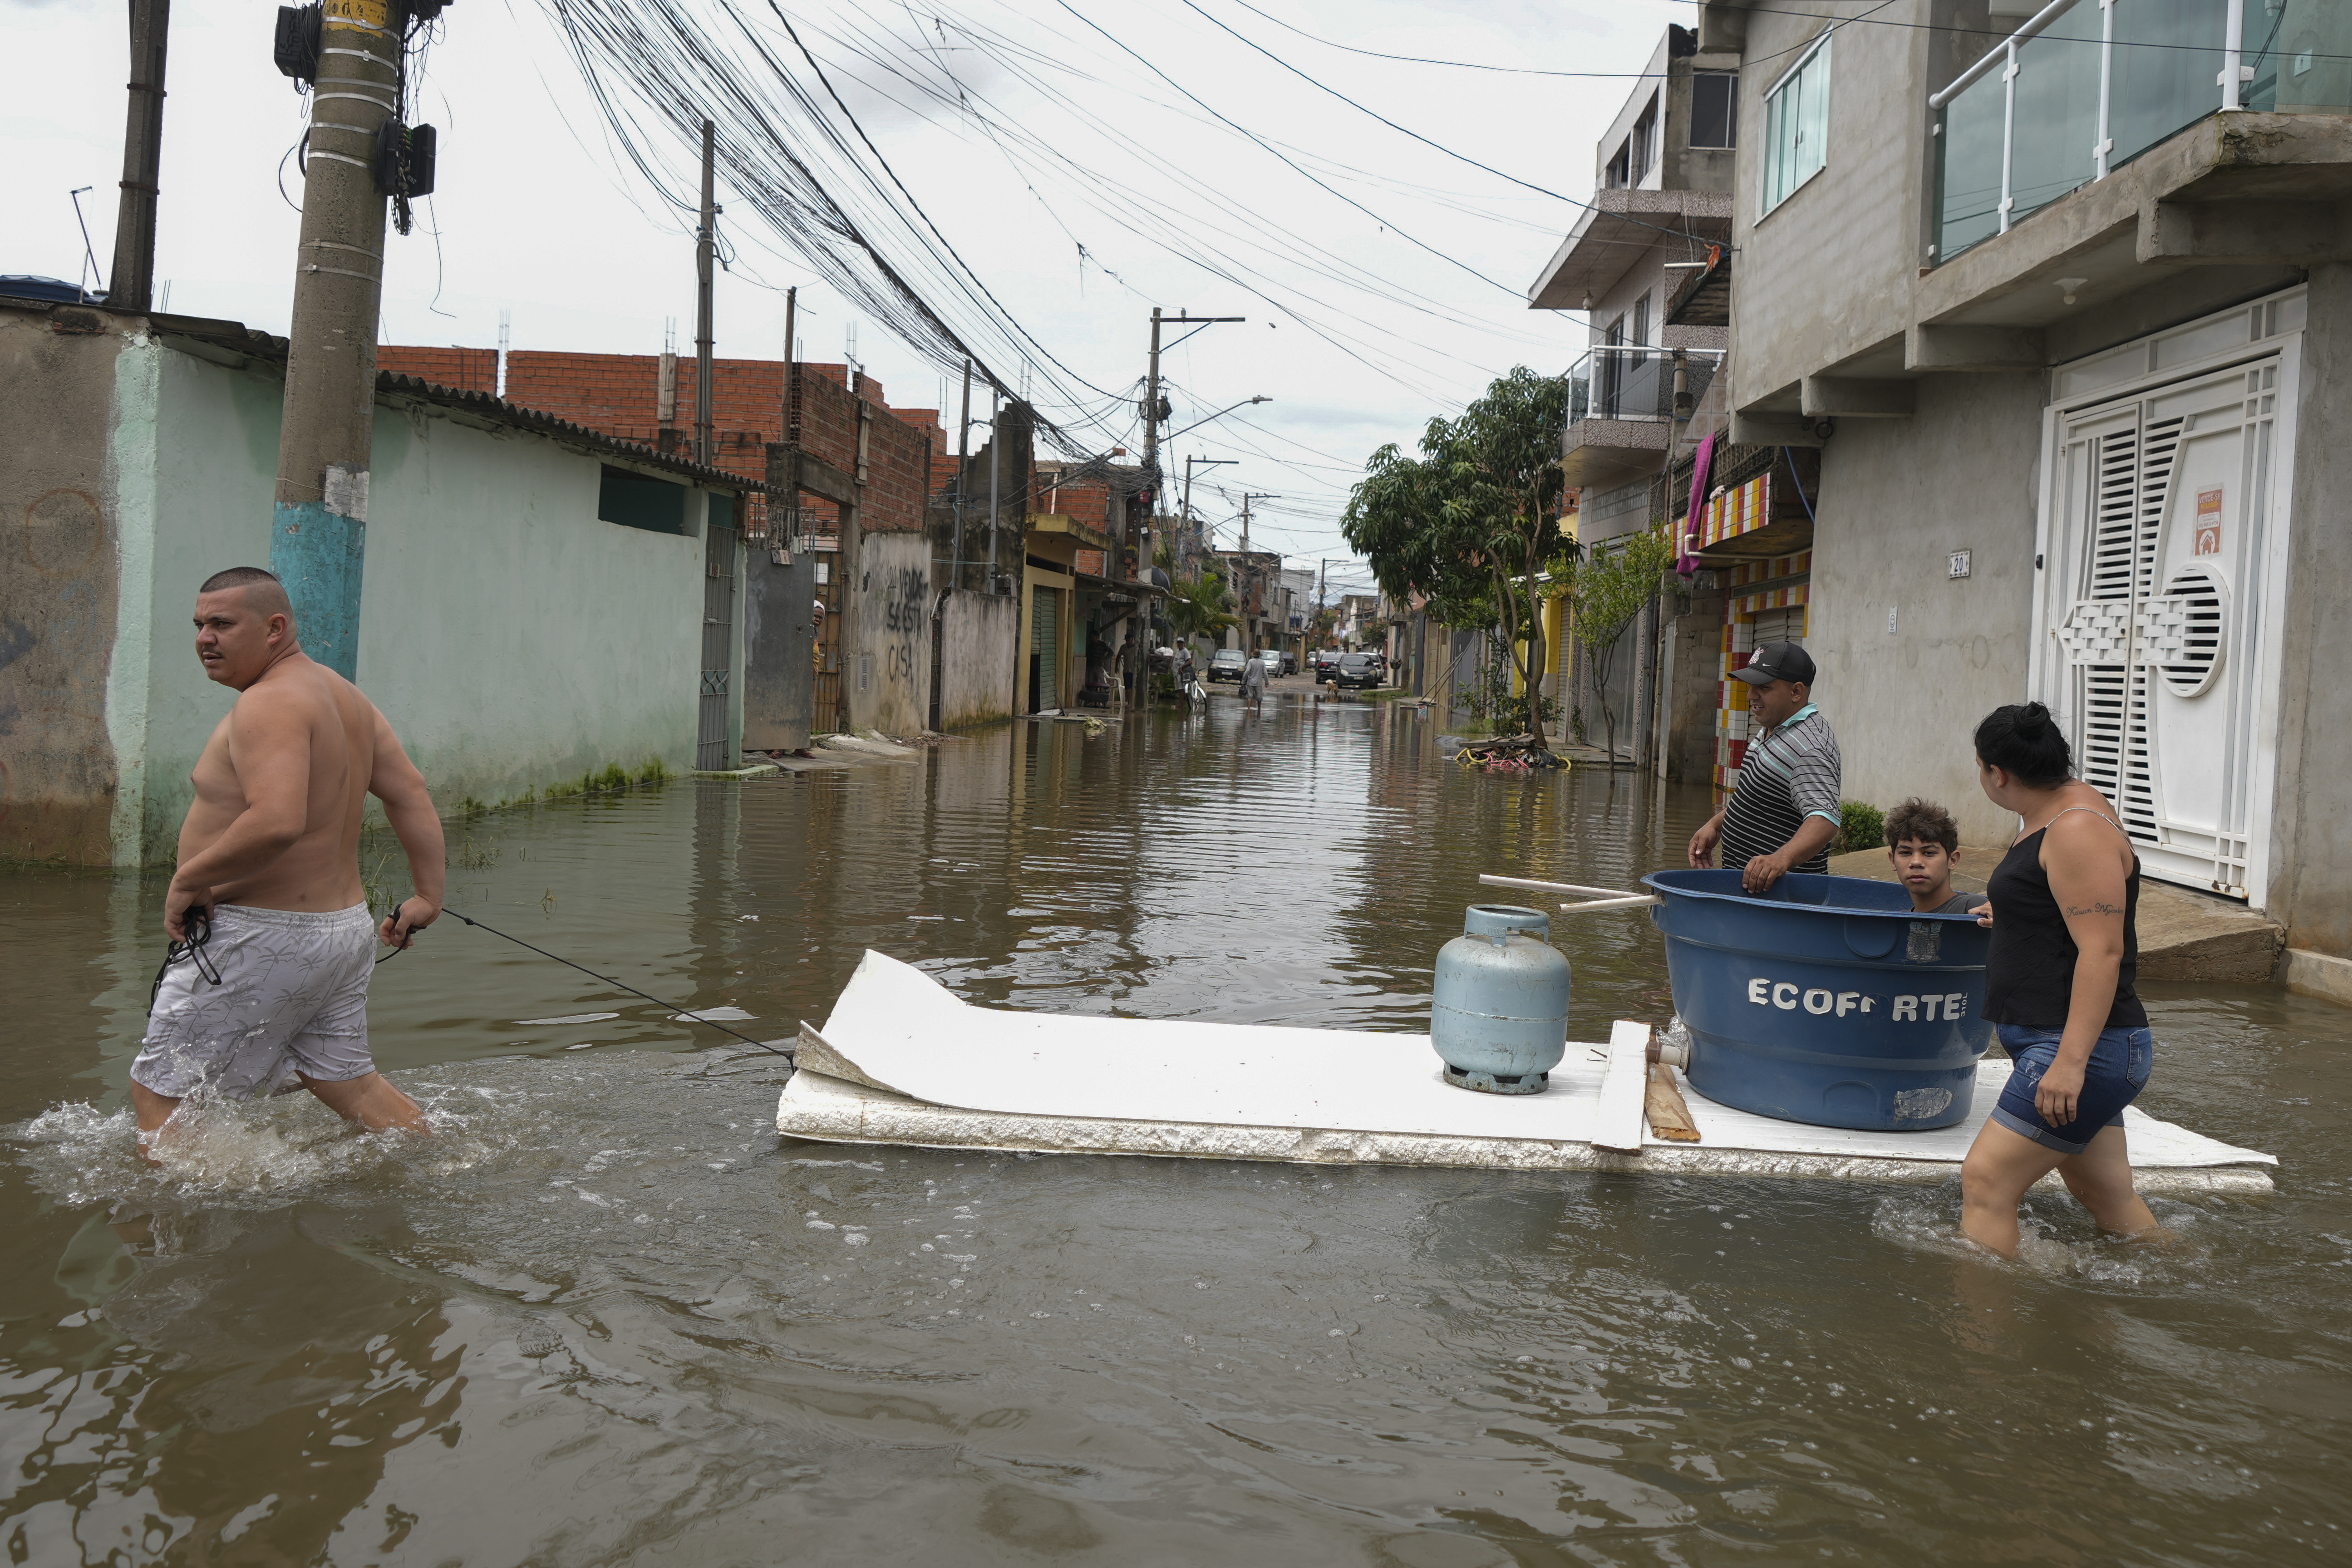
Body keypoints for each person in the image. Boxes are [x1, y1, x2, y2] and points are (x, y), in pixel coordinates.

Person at [131, 567, 446, 1159]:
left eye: (222, 623)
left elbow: (277, 821)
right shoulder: (343, 695)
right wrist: (428, 895)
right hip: (340, 933)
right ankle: (447, 1165)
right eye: (199, 624)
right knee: (349, 1082)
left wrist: (188, 879)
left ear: (275, 628)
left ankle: (174, 1243)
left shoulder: (269, 703)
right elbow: (409, 789)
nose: (205, 637)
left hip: (262, 935)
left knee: (162, 1098)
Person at [1958, 701, 2161, 1258]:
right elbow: (2068, 904)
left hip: (2080, 1049)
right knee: (2105, 1194)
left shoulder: (2075, 827)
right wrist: (2018, 911)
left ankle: (1981, 1333)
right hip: (2064, 1041)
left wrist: (2067, 1064)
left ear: (1997, 772)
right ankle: (2191, 1286)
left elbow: (2103, 949)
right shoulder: (2061, 808)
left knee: (1986, 1182)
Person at [1687, 642, 1841, 893]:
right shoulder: (1774, 728)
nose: (1751, 695)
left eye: (1764, 688)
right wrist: (1716, 825)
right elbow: (1757, 797)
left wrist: (1782, 859)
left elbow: (1825, 819)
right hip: (1753, 894)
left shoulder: (1810, 747)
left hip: (1785, 903)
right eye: (1751, 686)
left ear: (1796, 691)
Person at [1884, 798, 1988, 915]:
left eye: (1929, 853)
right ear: (1893, 861)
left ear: (1952, 861)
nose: (1916, 862)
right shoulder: (1897, 922)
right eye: (1906, 853)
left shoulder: (1973, 908)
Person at [1239, 645, 1268, 711]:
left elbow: (1247, 672)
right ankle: (1259, 710)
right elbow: (1266, 673)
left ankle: (1249, 709)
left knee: (1250, 696)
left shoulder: (1251, 662)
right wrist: (1267, 683)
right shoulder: (1262, 663)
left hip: (1250, 682)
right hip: (1259, 683)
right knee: (1259, 697)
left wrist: (1243, 681)